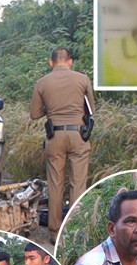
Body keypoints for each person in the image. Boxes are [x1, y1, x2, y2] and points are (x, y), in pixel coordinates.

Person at [30, 47, 95, 244]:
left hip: (55, 136)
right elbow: (91, 109)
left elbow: (34, 114)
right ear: (70, 61)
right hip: (78, 135)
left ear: (51, 62)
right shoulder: (83, 79)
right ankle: (74, 231)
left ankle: (55, 233)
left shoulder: (42, 82)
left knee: (55, 185)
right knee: (78, 184)